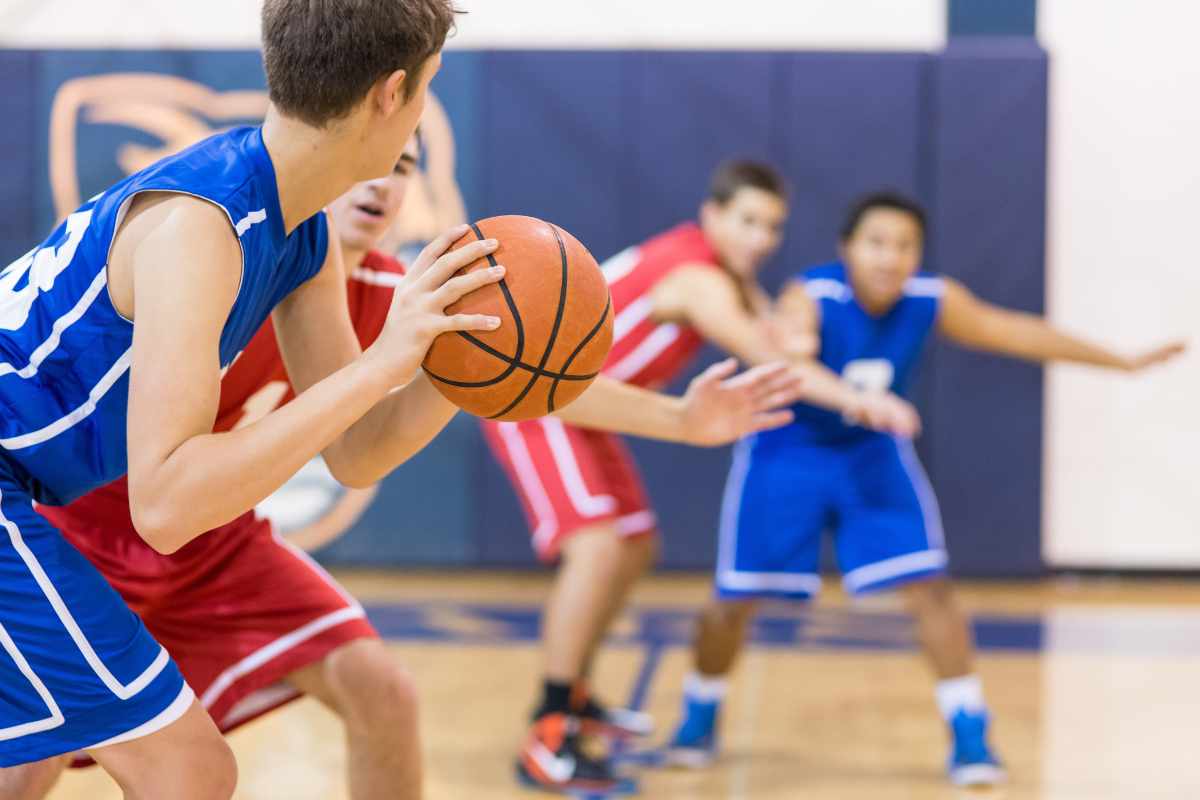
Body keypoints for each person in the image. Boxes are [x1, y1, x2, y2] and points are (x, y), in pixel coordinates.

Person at [1, 123, 809, 799]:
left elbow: (530, 381)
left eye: (406, 169)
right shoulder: (228, 252)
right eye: (375, 163)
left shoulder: (406, 296)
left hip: (218, 547)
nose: (382, 184)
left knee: (381, 693)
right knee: (33, 760)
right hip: (90, 538)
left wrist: (679, 416)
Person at [0, 1, 510, 796]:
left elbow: (357, 449)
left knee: (173, 771)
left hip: (22, 488)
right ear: (393, 92)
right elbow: (166, 504)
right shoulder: (200, 226)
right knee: (180, 771)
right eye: (427, 89)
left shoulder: (298, 229)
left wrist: (464, 360)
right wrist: (382, 364)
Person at [664, 189, 1186, 786]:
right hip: (787, 452)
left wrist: (1120, 361)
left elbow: (1015, 331)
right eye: (877, 243)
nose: (890, 257)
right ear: (848, 249)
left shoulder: (930, 300)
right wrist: (853, 395)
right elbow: (794, 367)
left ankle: (969, 732)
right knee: (732, 601)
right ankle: (699, 712)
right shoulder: (810, 295)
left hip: (871, 454)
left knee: (931, 589)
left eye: (905, 245)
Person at [481, 163, 919, 794]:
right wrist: (858, 398)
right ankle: (548, 729)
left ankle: (574, 693)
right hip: (540, 401)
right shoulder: (696, 279)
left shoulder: (727, 276)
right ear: (710, 217)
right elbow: (771, 357)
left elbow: (781, 329)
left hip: (593, 410)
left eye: (773, 225)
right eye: (748, 220)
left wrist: (795, 319)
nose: (762, 237)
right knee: (598, 547)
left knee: (637, 547)